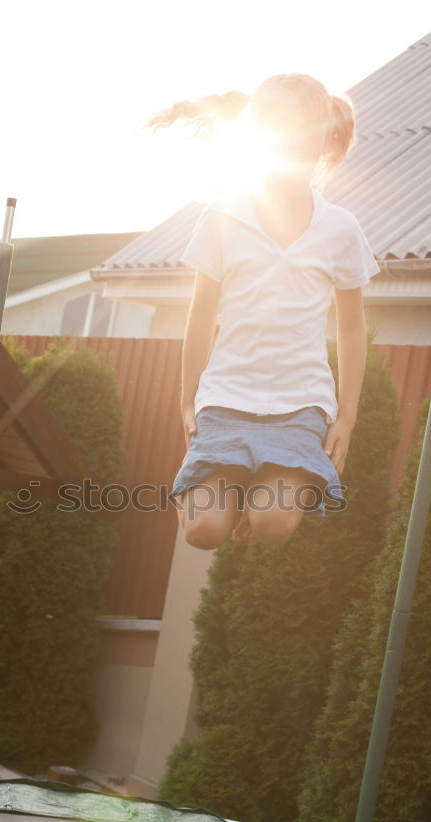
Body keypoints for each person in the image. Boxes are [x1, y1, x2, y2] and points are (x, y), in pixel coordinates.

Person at [143, 74, 380, 548]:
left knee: (272, 525)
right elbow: (200, 313)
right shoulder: (223, 216)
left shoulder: (340, 228)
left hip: (300, 405)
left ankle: (259, 503)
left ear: (323, 140)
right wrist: (187, 399)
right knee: (203, 532)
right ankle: (216, 495)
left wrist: (347, 417)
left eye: (303, 133)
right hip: (227, 398)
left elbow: (352, 330)